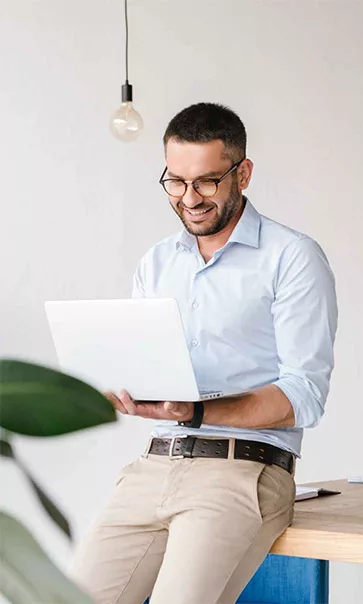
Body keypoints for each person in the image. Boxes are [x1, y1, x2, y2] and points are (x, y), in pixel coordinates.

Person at [71, 102, 338, 604]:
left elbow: (304, 393)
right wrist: (119, 387)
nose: (189, 198)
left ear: (244, 173)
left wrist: (197, 411)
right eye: (175, 181)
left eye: (207, 182)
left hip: (242, 471)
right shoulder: (157, 262)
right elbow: (145, 364)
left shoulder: (292, 257)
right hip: (152, 466)